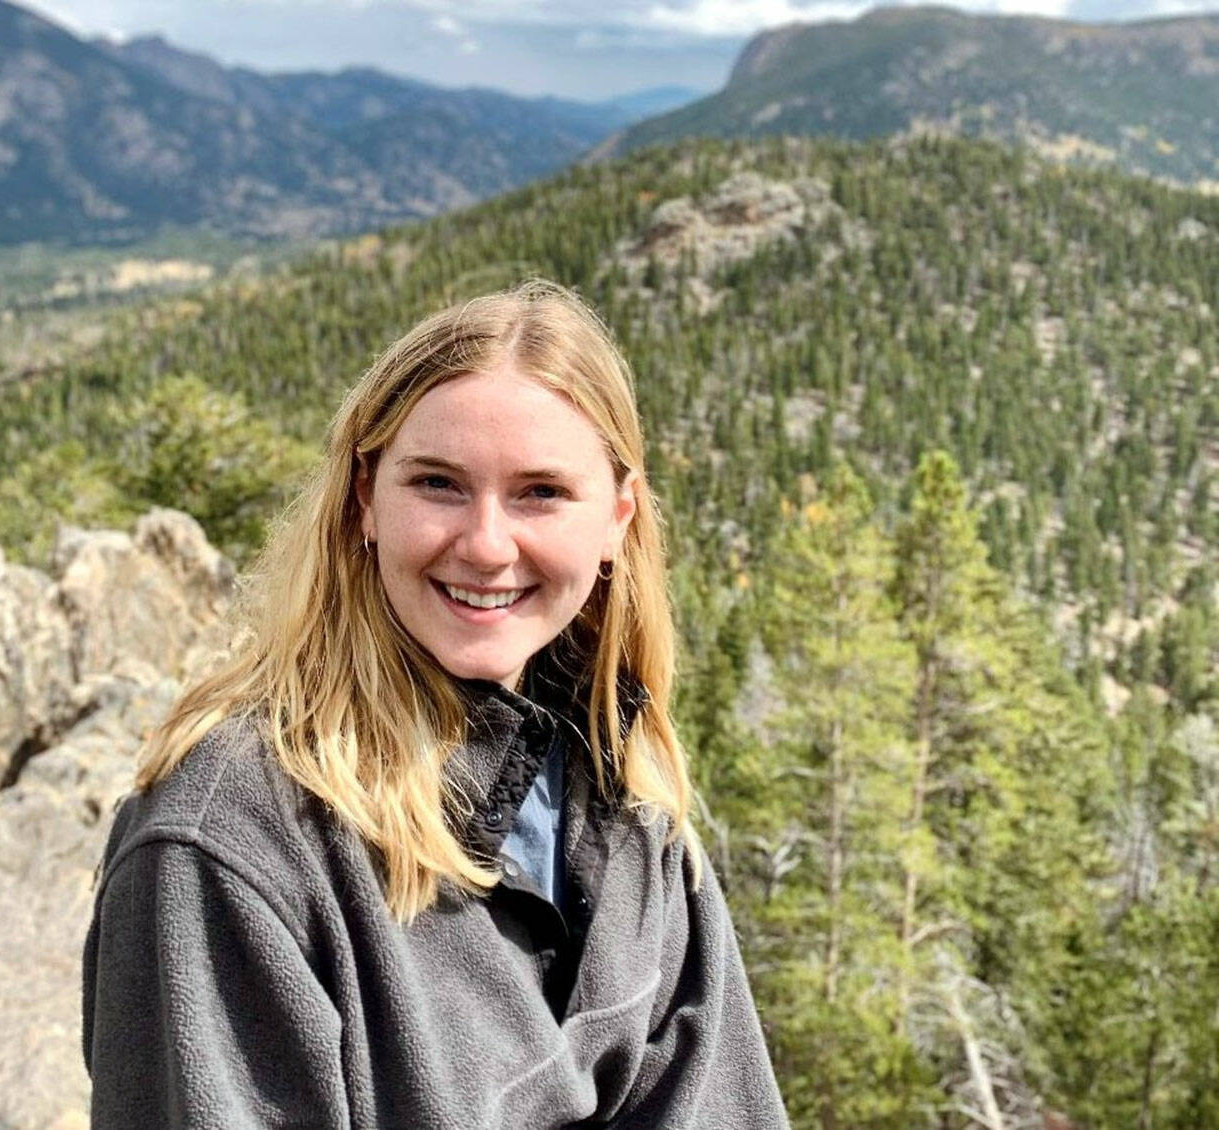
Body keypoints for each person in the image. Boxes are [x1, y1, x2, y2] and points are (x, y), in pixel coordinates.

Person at [82, 279, 789, 1128]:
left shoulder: (623, 804)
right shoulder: (233, 838)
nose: (486, 545)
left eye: (541, 492)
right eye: (439, 484)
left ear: (617, 518)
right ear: (365, 499)